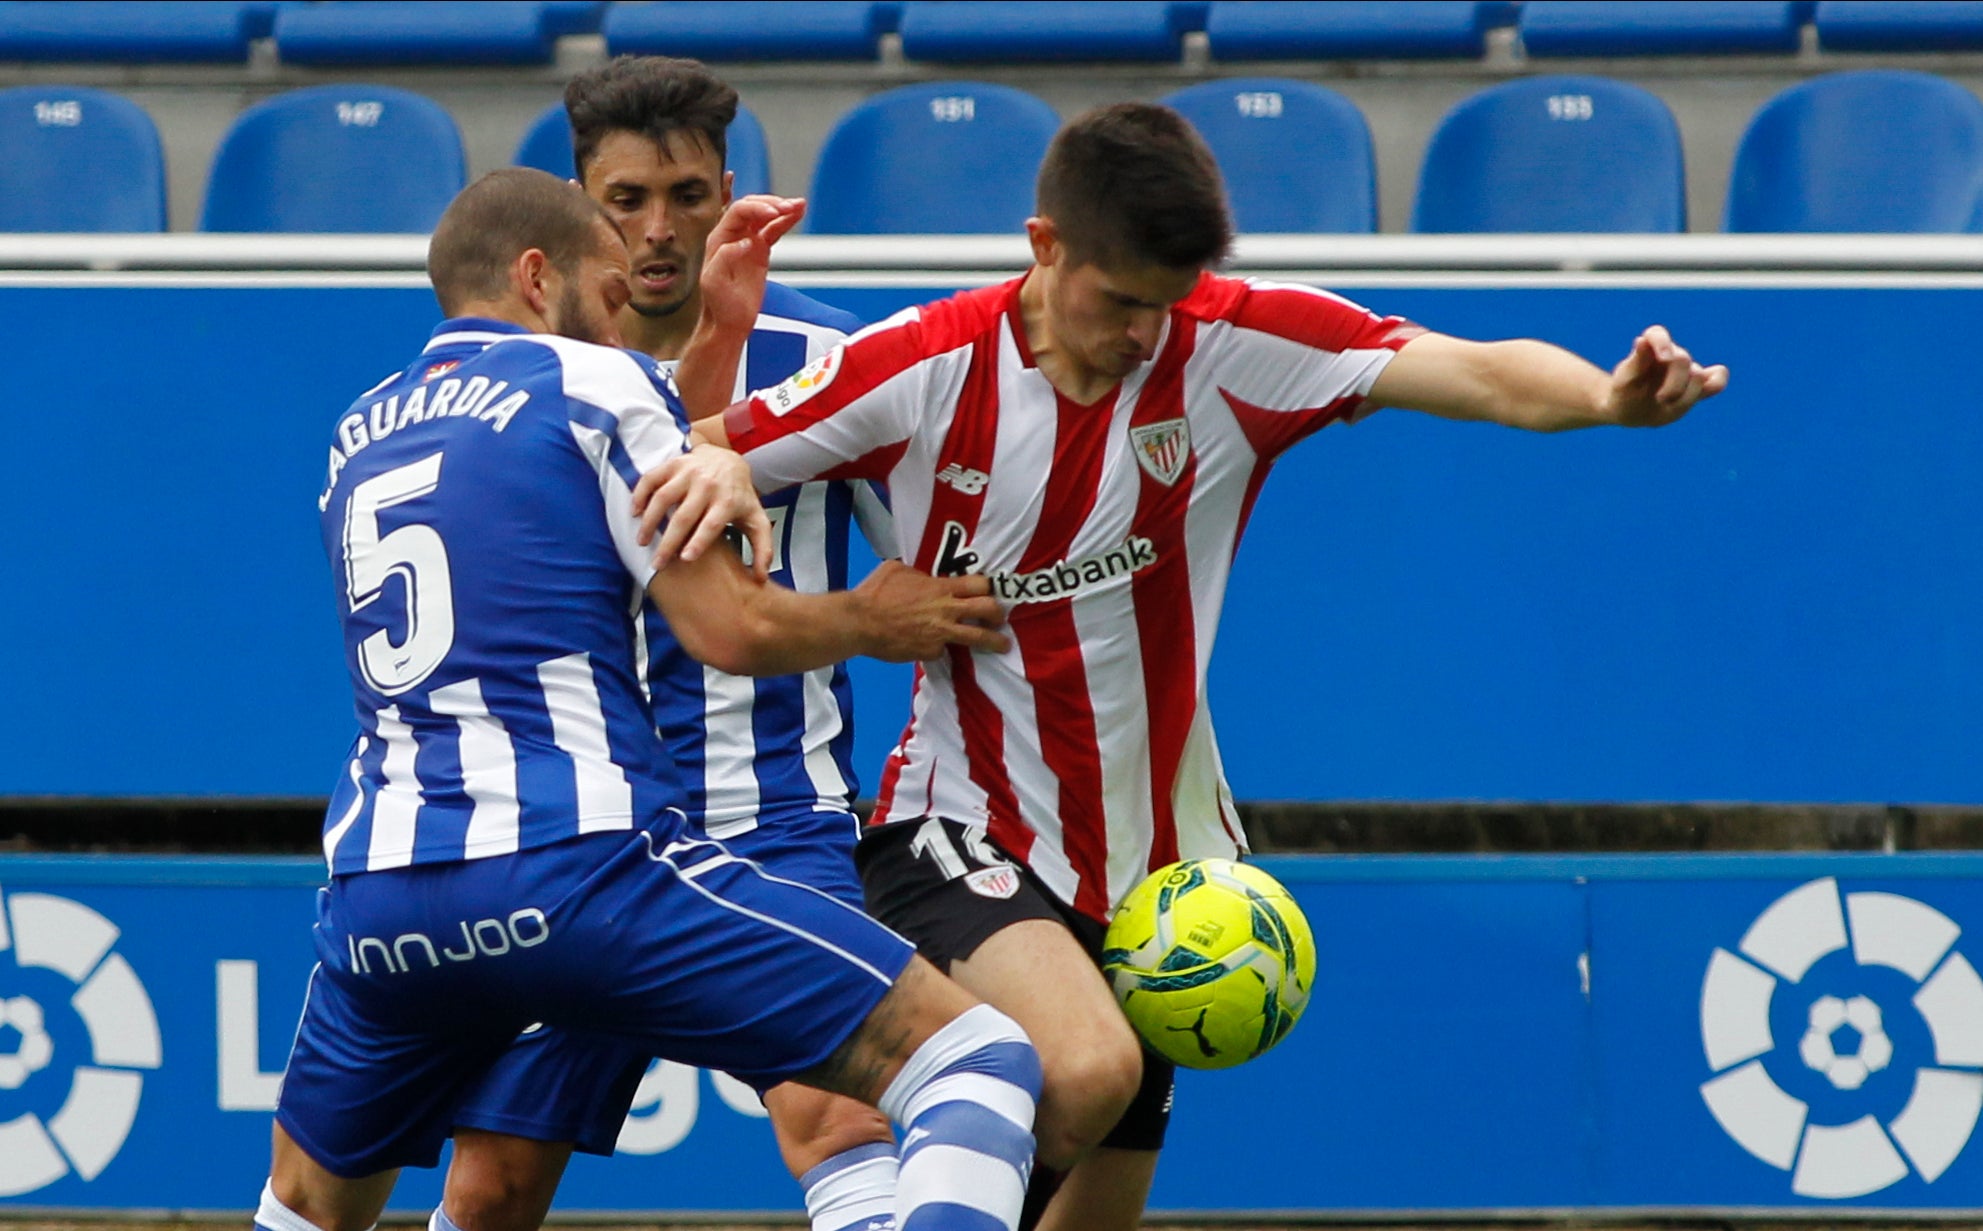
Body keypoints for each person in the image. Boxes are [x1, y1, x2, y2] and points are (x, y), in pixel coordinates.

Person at [638, 102, 1730, 1231]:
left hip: (1167, 881)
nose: (1143, 337)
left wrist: (1606, 400)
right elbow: (690, 453)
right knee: (1087, 1066)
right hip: (958, 823)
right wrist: (726, 480)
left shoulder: (1231, 343)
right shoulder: (924, 365)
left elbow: (1474, 372)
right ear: (1044, 245)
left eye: (1165, 307)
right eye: (1119, 303)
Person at [255, 166, 1042, 1231]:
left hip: (382, 895)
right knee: (976, 1060)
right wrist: (869, 618)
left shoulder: (361, 432)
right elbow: (729, 631)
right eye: (610, 287)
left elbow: (592, 473)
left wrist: (714, 336)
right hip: (579, 868)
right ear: (540, 278)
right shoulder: (591, 384)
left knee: (306, 1204)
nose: (625, 312)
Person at [440, 58, 909, 1231]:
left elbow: (920, 571)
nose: (659, 232)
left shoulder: (829, 359)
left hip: (773, 812)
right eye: (626, 200)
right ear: (573, 202)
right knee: (491, 1184)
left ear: (730, 193)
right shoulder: (529, 373)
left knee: (839, 1115)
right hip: (582, 827)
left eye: (689, 197)